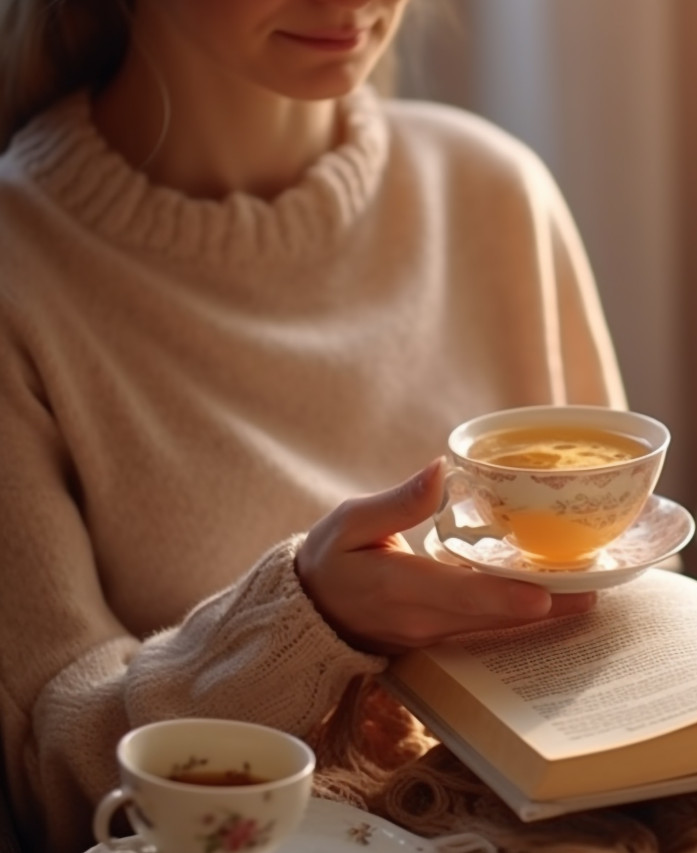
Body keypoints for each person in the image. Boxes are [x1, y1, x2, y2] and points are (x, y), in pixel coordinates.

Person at [0, 1, 625, 850]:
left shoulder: (495, 192)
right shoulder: (21, 272)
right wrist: (303, 627)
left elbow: (620, 600)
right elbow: (57, 776)